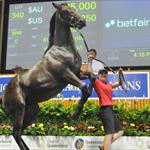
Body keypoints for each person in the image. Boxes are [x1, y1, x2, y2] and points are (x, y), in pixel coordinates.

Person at [87, 53, 124, 150]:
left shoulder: (109, 85)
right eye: (101, 73)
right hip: (105, 109)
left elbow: (120, 83)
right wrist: (90, 61)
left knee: (120, 132)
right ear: (98, 76)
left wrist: (120, 73)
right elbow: (90, 73)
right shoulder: (97, 83)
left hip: (110, 110)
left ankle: (104, 146)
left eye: (105, 74)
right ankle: (106, 147)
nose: (103, 74)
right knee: (109, 133)